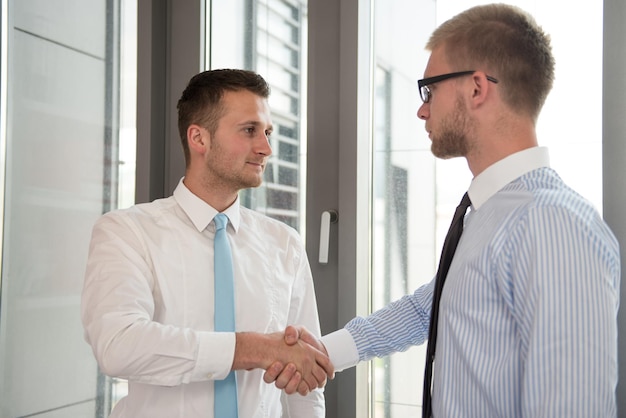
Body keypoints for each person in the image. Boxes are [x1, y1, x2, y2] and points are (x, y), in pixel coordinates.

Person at [265, 4, 620, 417]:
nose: (421, 108)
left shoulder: (552, 224)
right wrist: (324, 351)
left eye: (429, 89)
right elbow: (429, 308)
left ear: (476, 88)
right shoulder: (493, 214)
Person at [81, 68, 333, 418]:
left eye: (268, 132)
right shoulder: (126, 232)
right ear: (199, 138)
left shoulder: (284, 244)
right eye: (249, 131)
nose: (266, 148)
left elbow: (304, 383)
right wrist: (254, 348)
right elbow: (119, 345)